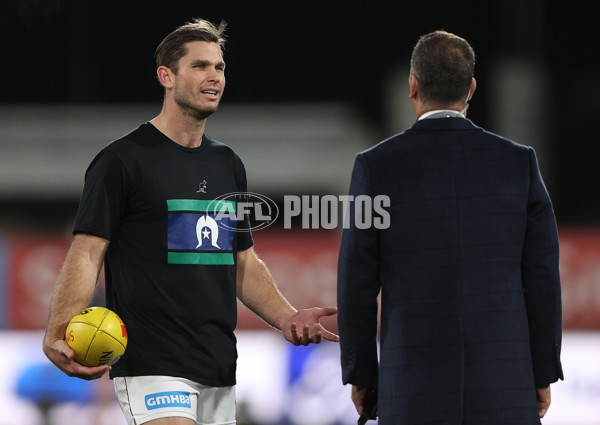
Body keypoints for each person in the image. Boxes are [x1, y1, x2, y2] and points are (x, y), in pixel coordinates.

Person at [42, 18, 339, 425]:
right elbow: (88, 252)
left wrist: (287, 317)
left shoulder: (227, 164)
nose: (214, 76)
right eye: (200, 66)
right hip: (153, 363)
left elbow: (243, 263)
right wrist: (57, 331)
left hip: (218, 366)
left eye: (219, 67)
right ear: (167, 76)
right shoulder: (122, 161)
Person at [337, 30, 563, 425]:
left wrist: (362, 375)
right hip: (504, 388)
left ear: (413, 86)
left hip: (411, 389)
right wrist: (542, 371)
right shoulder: (519, 164)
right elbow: (542, 277)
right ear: (471, 88)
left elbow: (356, 280)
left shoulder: (375, 167)